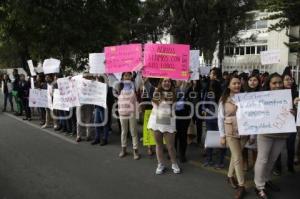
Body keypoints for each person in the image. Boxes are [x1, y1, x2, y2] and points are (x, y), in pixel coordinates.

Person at [254, 73, 294, 199]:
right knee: (263, 159)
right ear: (269, 84)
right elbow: (254, 114)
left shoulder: (287, 96)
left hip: (281, 133)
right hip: (266, 133)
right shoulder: (262, 97)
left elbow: (292, 115)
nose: (277, 85)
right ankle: (259, 186)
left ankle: (266, 180)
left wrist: (294, 111)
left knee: (272, 159)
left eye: (279, 82)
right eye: (274, 83)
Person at [218, 74, 247, 199]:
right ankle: (242, 185)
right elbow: (220, 118)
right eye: (234, 83)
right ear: (229, 85)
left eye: (238, 83)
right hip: (230, 132)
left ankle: (230, 176)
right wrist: (222, 135)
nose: (237, 85)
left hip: (244, 131)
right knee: (238, 158)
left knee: (236, 156)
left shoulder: (246, 98)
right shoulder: (223, 99)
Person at [147, 78, 181, 174]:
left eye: (169, 81)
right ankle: (160, 164)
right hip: (156, 122)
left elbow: (183, 87)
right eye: (164, 81)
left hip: (169, 122)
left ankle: (174, 163)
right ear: (161, 83)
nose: (167, 83)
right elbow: (146, 84)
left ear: (171, 83)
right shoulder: (155, 92)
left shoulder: (175, 92)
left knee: (170, 146)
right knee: (159, 145)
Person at [274, 71, 298, 174]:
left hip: (291, 124)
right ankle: (278, 167)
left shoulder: (296, 93)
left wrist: (296, 111)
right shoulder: (277, 93)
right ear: (282, 81)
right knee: (278, 147)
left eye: (290, 79)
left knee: (291, 146)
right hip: (279, 123)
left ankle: (290, 165)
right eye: (286, 79)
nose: (289, 81)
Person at [202, 68, 226, 169]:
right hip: (210, 120)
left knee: (222, 140)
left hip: (221, 120)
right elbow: (203, 105)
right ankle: (209, 159)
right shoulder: (208, 91)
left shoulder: (224, 90)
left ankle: (221, 161)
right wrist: (207, 111)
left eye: (212, 74)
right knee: (210, 139)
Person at [116, 72, 140, 160]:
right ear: (122, 77)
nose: (127, 76)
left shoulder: (134, 86)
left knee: (133, 132)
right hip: (122, 113)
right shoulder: (119, 86)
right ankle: (124, 149)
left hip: (132, 113)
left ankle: (135, 151)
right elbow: (110, 76)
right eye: (125, 75)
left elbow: (138, 75)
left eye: (129, 75)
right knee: (124, 132)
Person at [242, 74, 261, 171]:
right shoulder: (243, 94)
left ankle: (255, 164)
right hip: (245, 124)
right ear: (247, 81)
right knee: (244, 146)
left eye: (255, 80)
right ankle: (245, 162)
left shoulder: (262, 94)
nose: (252, 82)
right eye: (250, 80)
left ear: (258, 82)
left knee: (255, 147)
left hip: (258, 125)